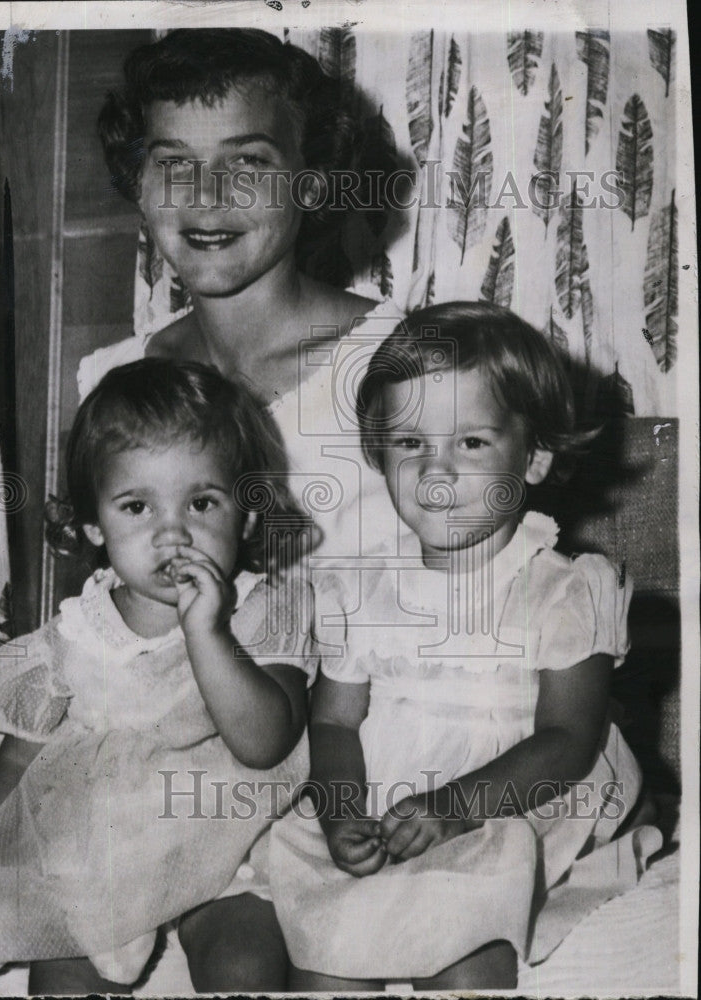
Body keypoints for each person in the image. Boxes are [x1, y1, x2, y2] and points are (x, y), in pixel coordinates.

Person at [269, 302, 662, 991]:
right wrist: (340, 815)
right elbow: (334, 721)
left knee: (468, 952)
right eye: (410, 444)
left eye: (471, 443)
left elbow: (569, 737)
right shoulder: (360, 589)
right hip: (384, 796)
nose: (437, 472)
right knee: (326, 954)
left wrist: (455, 807)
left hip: (508, 799)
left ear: (534, 457)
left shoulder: (564, 589)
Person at [0, 358, 317, 995]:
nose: (173, 533)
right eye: (137, 506)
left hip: (227, 834)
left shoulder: (262, 611)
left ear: (248, 516)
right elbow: (16, 769)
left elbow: (265, 746)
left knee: (247, 964)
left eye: (202, 501)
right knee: (60, 977)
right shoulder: (76, 633)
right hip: (98, 854)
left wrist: (207, 633)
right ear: (94, 525)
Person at [85, 28, 404, 561]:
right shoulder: (117, 380)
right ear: (138, 183)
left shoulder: (400, 365)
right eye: (174, 164)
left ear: (312, 182)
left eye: (247, 163)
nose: (207, 194)